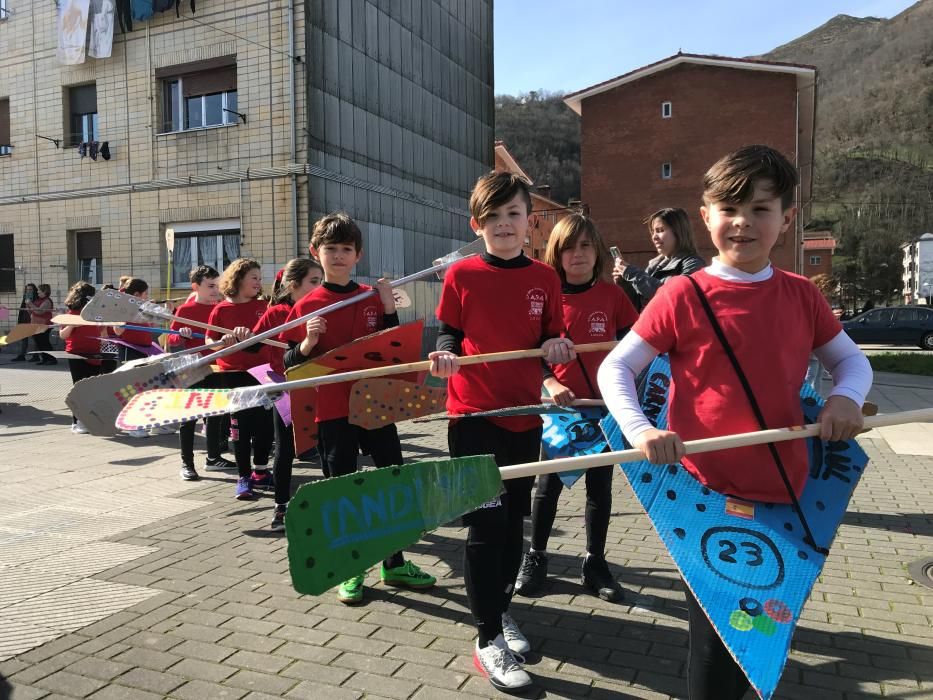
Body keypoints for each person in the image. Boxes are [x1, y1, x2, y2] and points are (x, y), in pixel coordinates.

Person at [597, 145, 872, 700]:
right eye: (728, 208)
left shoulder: (801, 296)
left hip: (786, 496)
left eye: (761, 209)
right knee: (716, 647)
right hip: (705, 499)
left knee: (761, 636)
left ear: (786, 219)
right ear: (705, 216)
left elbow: (853, 361)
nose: (743, 222)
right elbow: (616, 368)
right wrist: (641, 430)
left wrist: (846, 398)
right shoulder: (681, 294)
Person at [429, 171, 575, 694]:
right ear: (477, 224)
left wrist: (556, 352)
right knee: (487, 529)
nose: (505, 225)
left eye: (513, 215)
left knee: (514, 523)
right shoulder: (462, 275)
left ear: (529, 222)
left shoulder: (545, 278)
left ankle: (501, 610)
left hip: (524, 415)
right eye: (493, 218)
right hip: (472, 416)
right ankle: (487, 635)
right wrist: (444, 355)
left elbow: (550, 336)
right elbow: (449, 332)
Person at [283, 212, 436, 605]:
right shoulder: (306, 305)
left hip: (376, 404)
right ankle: (351, 568)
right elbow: (288, 364)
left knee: (391, 482)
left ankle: (394, 563)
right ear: (316, 253)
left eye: (346, 249)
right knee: (343, 488)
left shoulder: (370, 295)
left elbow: (392, 347)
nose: (338, 256)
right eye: (330, 249)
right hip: (332, 410)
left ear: (358, 255)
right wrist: (305, 344)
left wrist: (388, 310)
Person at [515, 214, 638, 602]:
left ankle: (595, 562)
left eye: (586, 245)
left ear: (597, 251)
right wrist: (550, 384)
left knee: (600, 488)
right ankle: (536, 556)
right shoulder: (545, 298)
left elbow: (635, 351)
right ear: (557, 253)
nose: (578, 254)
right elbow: (529, 356)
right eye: (569, 247)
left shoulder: (614, 296)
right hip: (559, 412)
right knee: (547, 486)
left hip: (603, 410)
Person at [253, 257, 323, 531]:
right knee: (284, 449)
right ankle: (281, 507)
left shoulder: (322, 308)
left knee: (325, 447)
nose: (319, 288)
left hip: (319, 384)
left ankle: (329, 504)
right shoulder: (277, 313)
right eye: (313, 282)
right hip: (285, 386)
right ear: (294, 285)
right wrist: (240, 335)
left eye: (320, 281)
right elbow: (251, 346)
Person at [205, 259, 273, 500]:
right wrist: (222, 342)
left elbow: (273, 334)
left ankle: (261, 471)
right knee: (240, 428)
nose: (258, 282)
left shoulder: (264, 306)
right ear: (238, 279)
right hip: (233, 375)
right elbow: (209, 341)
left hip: (263, 373)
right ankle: (243, 476)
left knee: (265, 427)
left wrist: (254, 336)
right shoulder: (221, 309)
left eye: (259, 277)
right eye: (253, 277)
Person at [169, 265, 236, 480]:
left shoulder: (222, 308)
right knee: (189, 417)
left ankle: (213, 458)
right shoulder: (185, 311)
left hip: (217, 367)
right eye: (210, 286)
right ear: (196, 287)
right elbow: (170, 340)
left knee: (216, 414)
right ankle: (187, 463)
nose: (216, 290)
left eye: (217, 285)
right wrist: (180, 335)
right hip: (193, 369)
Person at [612, 207, 705, 310]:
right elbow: (641, 308)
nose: (654, 237)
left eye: (660, 230)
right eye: (653, 232)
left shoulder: (694, 264)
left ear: (678, 232)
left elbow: (674, 297)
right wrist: (625, 284)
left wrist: (632, 274)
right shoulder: (654, 266)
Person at [59, 282, 111, 433]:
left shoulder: (95, 314)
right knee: (79, 389)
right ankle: (77, 422)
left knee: (92, 389)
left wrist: (105, 333)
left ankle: (90, 420)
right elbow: (63, 335)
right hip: (76, 354)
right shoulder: (71, 314)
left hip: (94, 353)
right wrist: (72, 326)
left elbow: (104, 335)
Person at [112, 278, 154, 363]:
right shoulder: (122, 309)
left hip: (144, 352)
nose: (147, 297)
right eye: (145, 294)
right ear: (136, 295)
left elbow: (150, 328)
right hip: (130, 353)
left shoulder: (141, 310)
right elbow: (118, 331)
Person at [27, 284, 57, 365]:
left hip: (44, 324)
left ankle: (52, 359)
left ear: (44, 291)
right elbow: (31, 312)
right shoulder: (37, 300)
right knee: (39, 343)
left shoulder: (47, 301)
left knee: (44, 343)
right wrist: (28, 305)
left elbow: (39, 311)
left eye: (39, 290)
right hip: (35, 325)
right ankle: (44, 359)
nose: (37, 292)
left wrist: (30, 304)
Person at [10, 283, 38, 362]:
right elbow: (22, 309)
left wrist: (30, 303)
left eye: (30, 289)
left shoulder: (36, 298)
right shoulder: (25, 297)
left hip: (33, 321)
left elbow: (36, 310)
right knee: (24, 339)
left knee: (35, 339)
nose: (28, 291)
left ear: (34, 290)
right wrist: (20, 321)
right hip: (24, 320)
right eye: (27, 290)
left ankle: (36, 355)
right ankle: (22, 355)